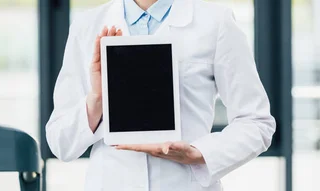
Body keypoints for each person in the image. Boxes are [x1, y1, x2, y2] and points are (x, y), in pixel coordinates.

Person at [45, 0, 276, 190]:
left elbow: (256, 122)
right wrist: (96, 99)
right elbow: (61, 143)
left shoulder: (217, 22)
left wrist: (200, 154)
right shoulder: (87, 25)